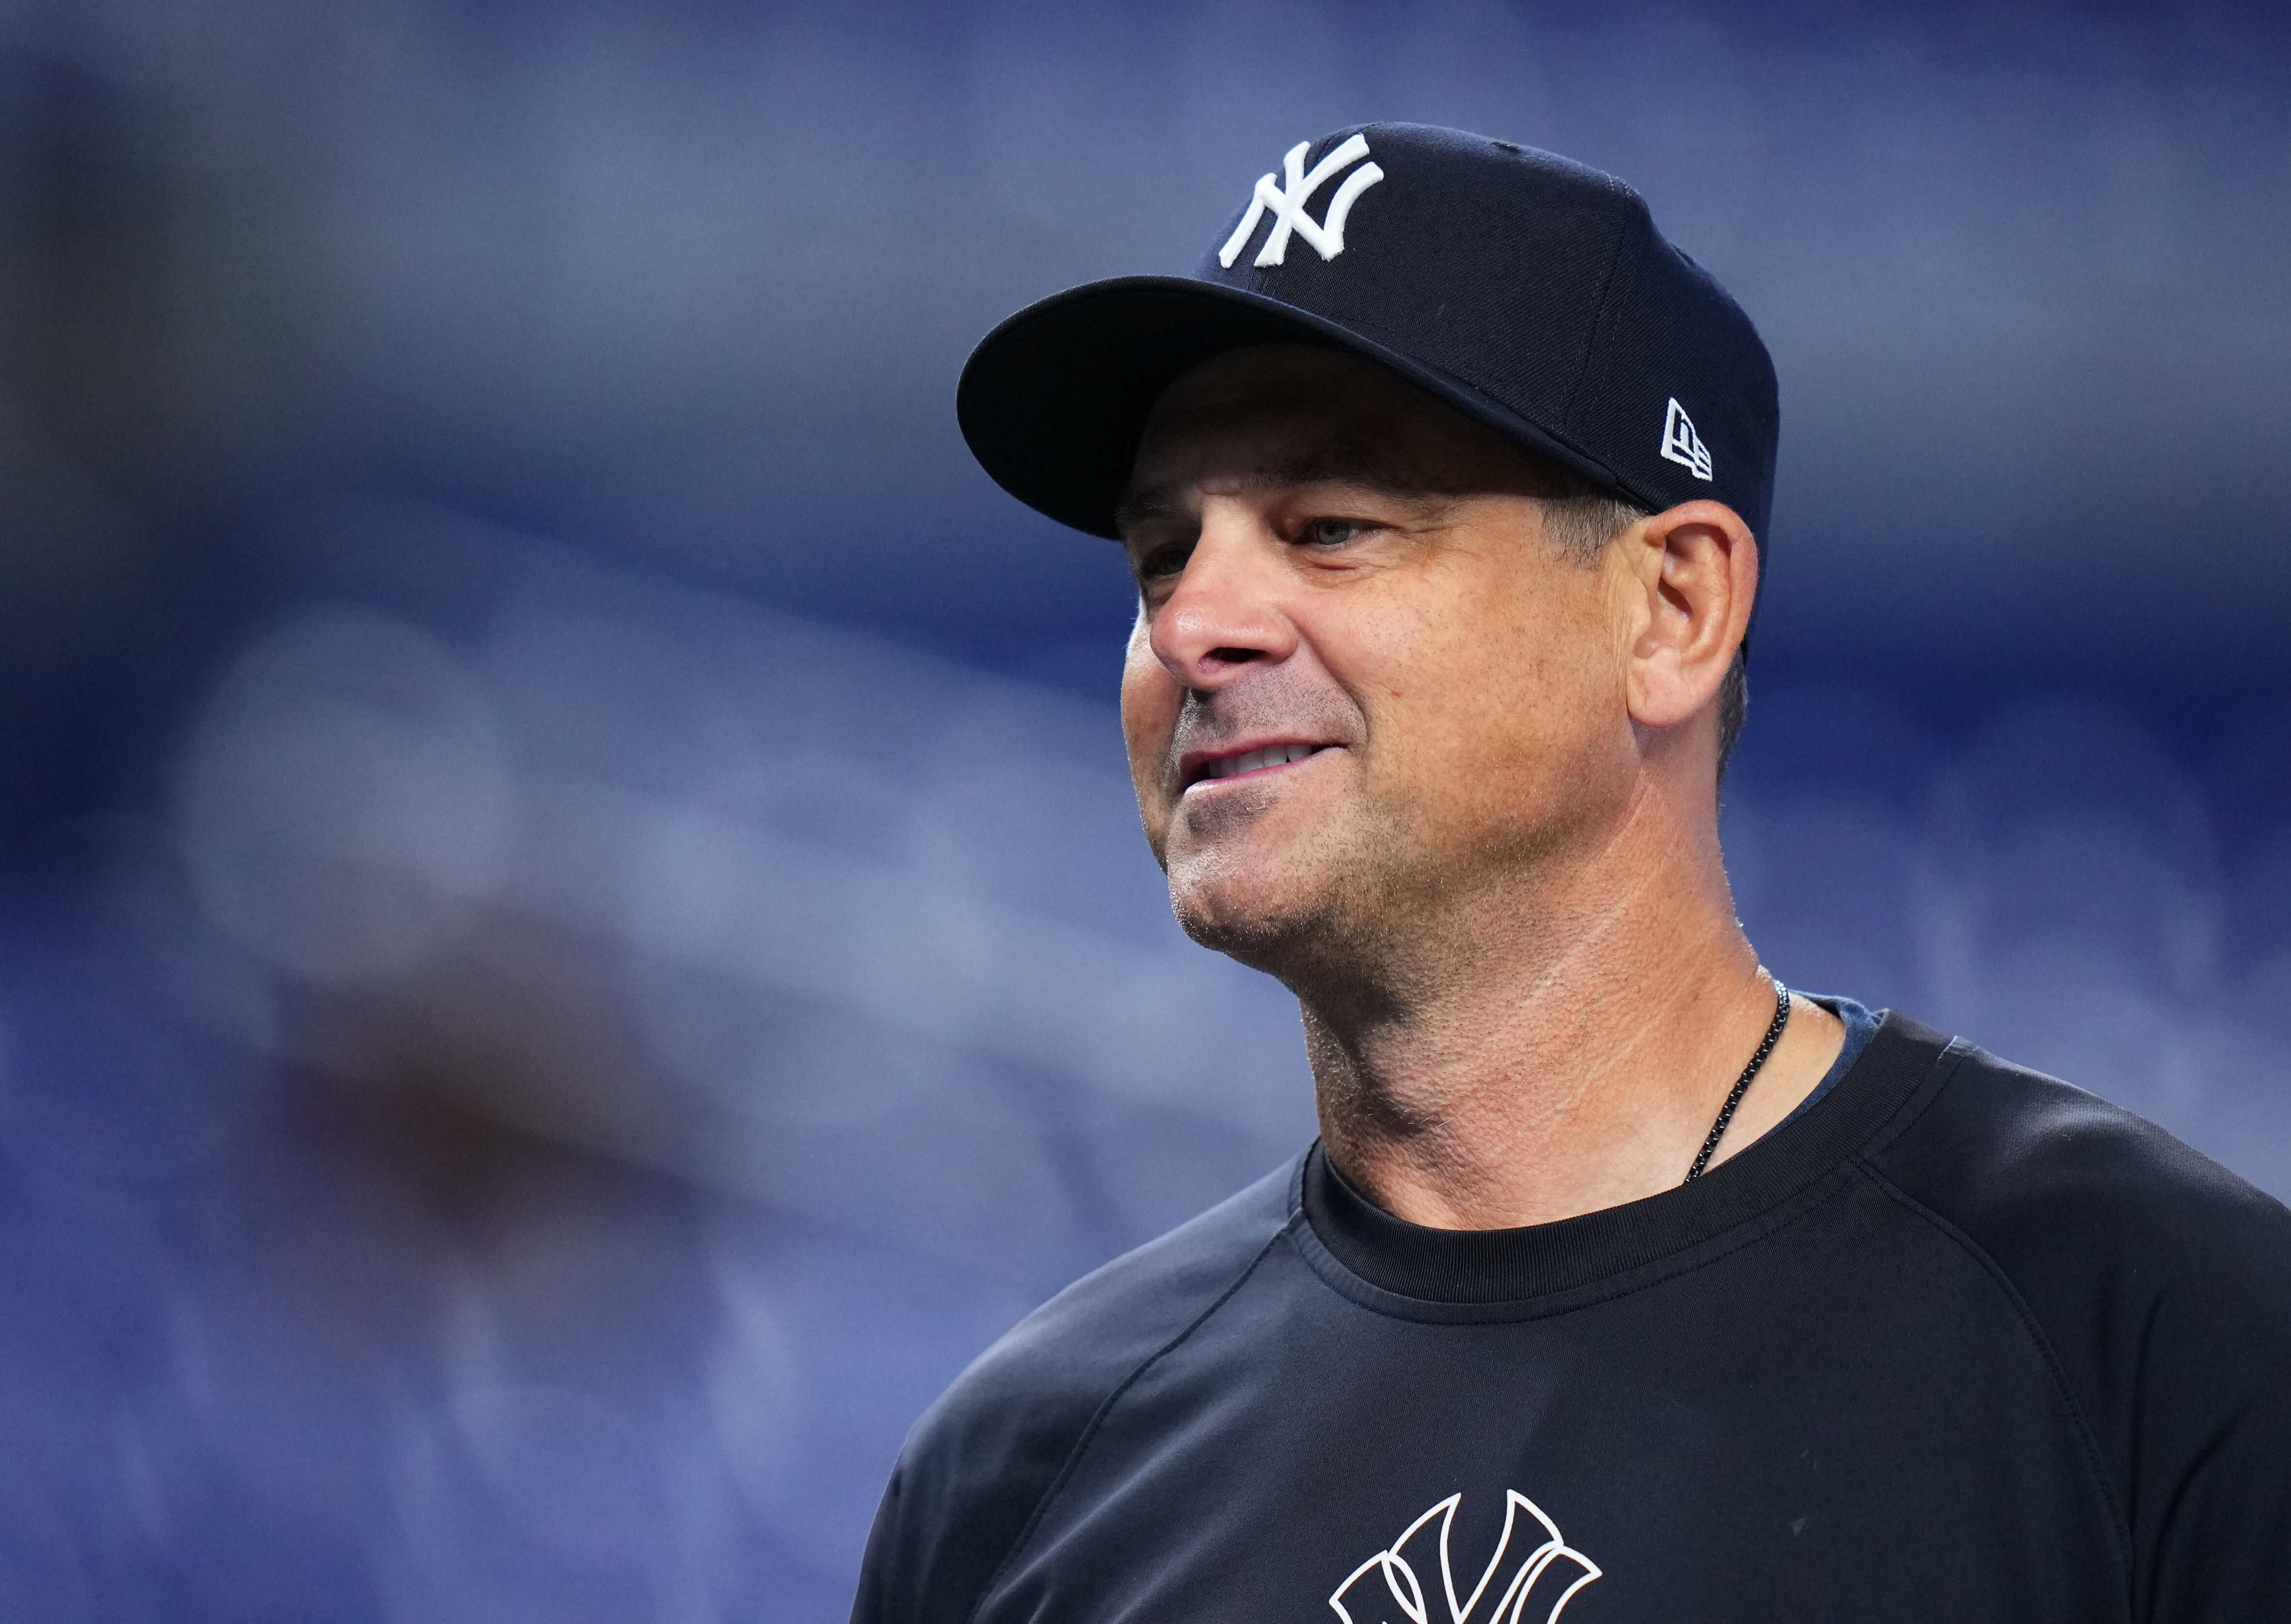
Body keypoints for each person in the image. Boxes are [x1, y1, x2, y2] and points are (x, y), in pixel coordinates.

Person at [851, 124, 2291, 1623]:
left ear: (1673, 608)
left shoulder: (2163, 1343)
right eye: (1162, 556)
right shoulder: (1022, 1478)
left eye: (1331, 528)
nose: (1193, 625)